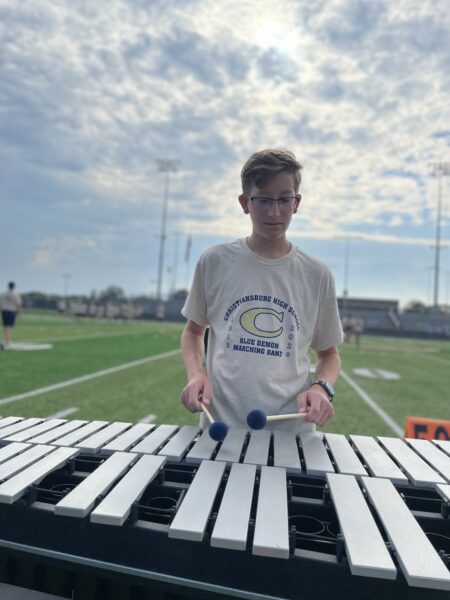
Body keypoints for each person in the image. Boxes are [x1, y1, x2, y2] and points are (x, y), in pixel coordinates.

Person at [180, 149, 343, 433]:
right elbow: (194, 332)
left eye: (284, 199)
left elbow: (328, 354)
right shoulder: (214, 261)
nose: (275, 211)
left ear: (297, 203)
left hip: (290, 434)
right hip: (221, 430)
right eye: (264, 200)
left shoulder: (317, 275)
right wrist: (196, 374)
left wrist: (322, 388)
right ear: (245, 203)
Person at [1, 281, 22, 349]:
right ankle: (8, 341)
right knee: (9, 326)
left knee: (5, 326)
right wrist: (18, 313)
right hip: (11, 311)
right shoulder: (15, 294)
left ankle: (5, 340)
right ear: (14, 286)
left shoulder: (4, 293)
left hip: (4, 310)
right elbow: (18, 304)